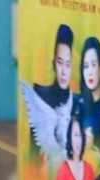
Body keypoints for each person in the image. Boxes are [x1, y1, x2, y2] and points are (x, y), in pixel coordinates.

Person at [25, 24, 78, 164]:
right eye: (60, 63)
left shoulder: (77, 104)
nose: (63, 72)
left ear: (72, 67)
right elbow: (33, 156)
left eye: (68, 65)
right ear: (54, 63)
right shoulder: (40, 96)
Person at [51, 112, 95, 180]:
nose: (78, 141)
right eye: (75, 135)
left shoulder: (89, 169)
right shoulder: (63, 170)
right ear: (69, 138)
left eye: (80, 135)